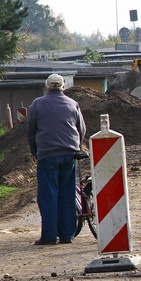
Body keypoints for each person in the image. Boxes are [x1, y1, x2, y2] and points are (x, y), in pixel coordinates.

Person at [26, 73, 87, 246]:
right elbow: (81, 129)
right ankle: (67, 235)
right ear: (63, 86)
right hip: (69, 154)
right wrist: (77, 146)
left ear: (47, 86)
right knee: (67, 194)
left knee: (48, 196)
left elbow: (31, 131)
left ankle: (49, 236)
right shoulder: (72, 104)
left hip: (47, 156)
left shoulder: (37, 104)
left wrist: (35, 151)